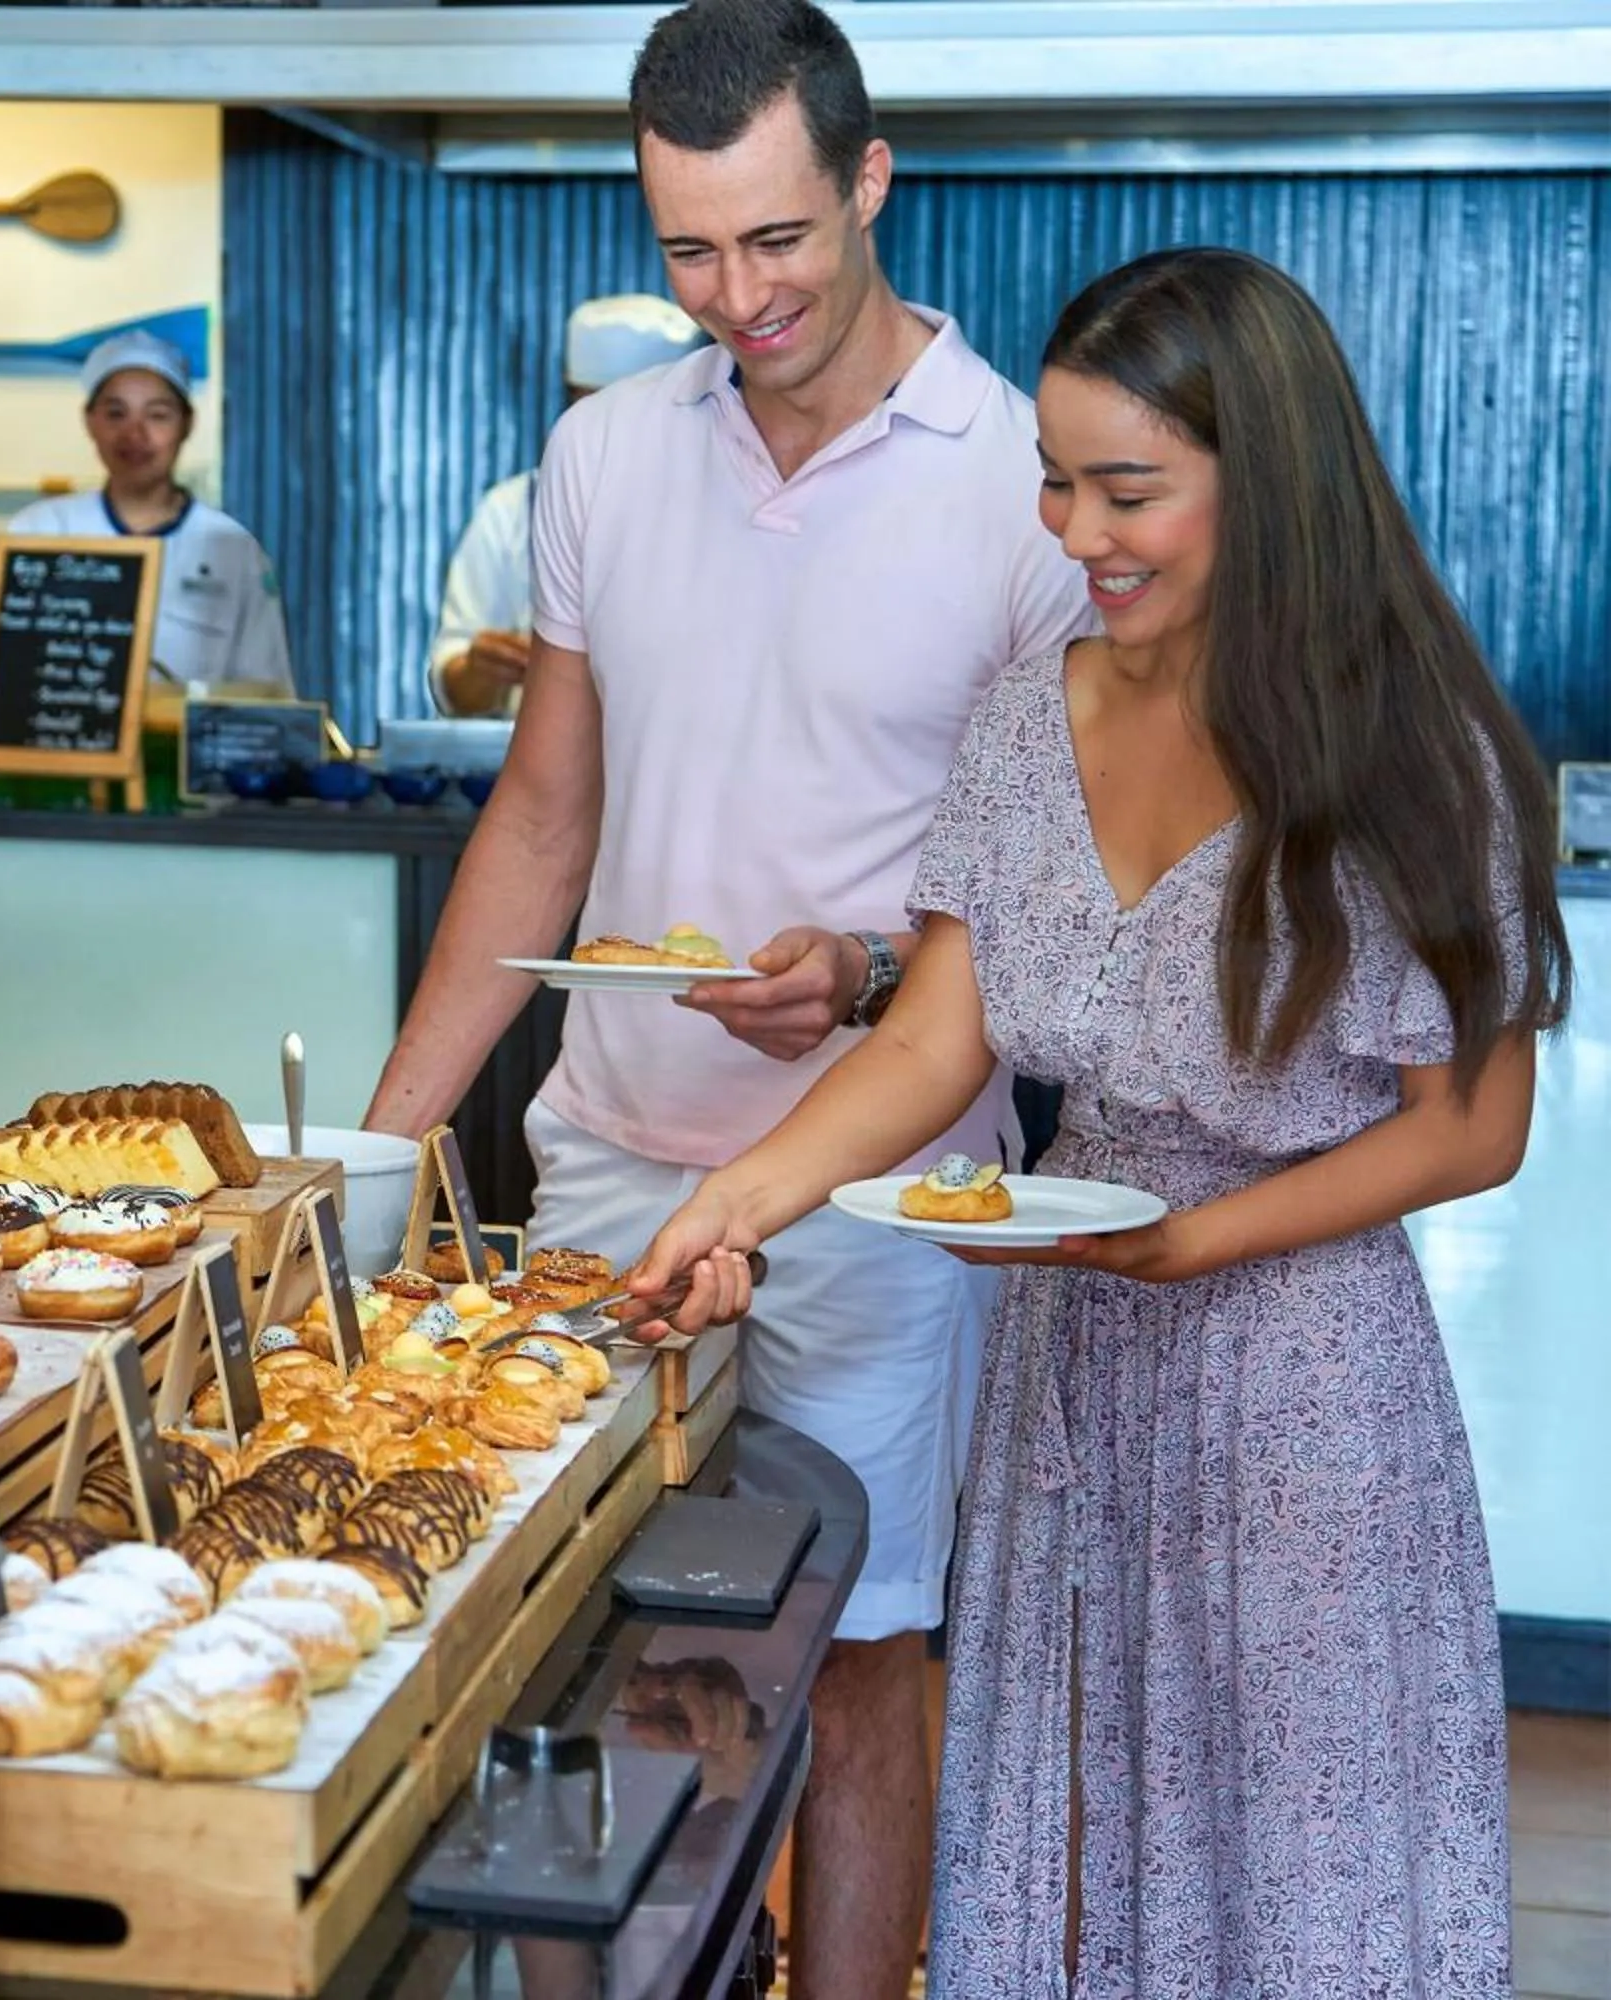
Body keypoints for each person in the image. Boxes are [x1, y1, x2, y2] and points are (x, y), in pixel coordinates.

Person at [628, 245, 1567, 1997]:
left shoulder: (1406, 746)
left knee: (1298, 1869)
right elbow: (929, 1047)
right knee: (1072, 1847)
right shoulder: (1027, 717)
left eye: (1126, 490)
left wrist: (1191, 1238)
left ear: (1268, 483)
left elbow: (1476, 1130)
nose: (1077, 533)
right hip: (1076, 1371)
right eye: (1055, 484)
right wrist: (738, 1199)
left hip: (1305, 1385)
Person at [360, 2, 1091, 1992]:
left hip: (875, 1197)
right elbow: (541, 811)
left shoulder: (1024, 476)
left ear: (868, 181)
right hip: (602, 1162)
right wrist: (384, 1139)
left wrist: (862, 972)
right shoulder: (603, 455)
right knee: (553, 1619)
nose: (738, 293)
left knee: (859, 1656)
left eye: (776, 238)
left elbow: (1041, 896)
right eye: (690, 248)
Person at [427, 295, 703, 718]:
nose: (604, 432)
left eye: (630, 414)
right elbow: (453, 690)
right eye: (589, 408)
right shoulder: (515, 510)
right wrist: (481, 670)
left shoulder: (724, 507)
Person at [8, 328, 296, 693]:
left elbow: (264, 693)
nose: (135, 434)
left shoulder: (233, 548)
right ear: (90, 421)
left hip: (192, 751)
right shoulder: (40, 532)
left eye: (157, 415)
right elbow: (11, 679)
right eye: (116, 414)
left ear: (187, 424)